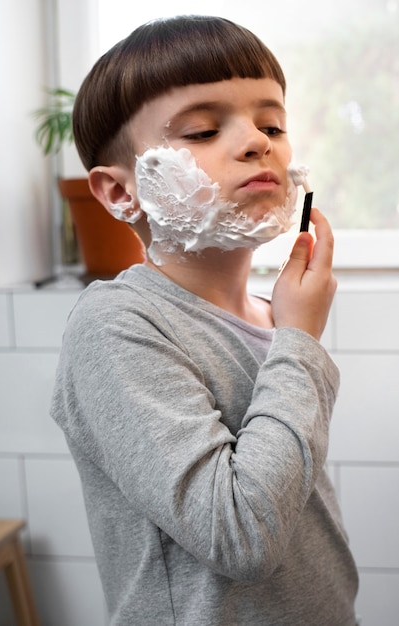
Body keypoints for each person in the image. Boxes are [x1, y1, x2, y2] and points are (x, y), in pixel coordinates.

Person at [50, 15, 359, 625]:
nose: (257, 141)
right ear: (119, 193)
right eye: (200, 130)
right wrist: (299, 340)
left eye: (272, 123)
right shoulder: (117, 325)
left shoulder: (273, 317)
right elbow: (242, 537)